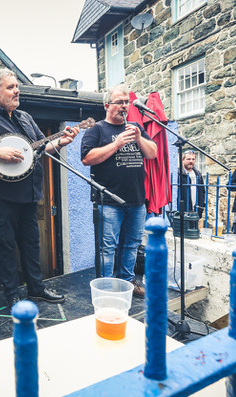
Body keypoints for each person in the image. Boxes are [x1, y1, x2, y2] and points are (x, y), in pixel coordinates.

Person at [0, 68, 78, 309]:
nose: (17, 90)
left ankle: (37, 289)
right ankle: (11, 294)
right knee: (6, 246)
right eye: (10, 87)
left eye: (16, 86)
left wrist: (61, 141)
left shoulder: (24, 118)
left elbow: (39, 148)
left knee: (32, 243)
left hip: (27, 195)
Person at [81, 83, 157, 297]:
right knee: (108, 248)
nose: (124, 106)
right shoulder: (96, 129)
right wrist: (116, 144)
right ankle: (106, 286)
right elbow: (87, 158)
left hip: (137, 200)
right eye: (119, 102)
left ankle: (127, 281)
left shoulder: (136, 128)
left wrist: (139, 138)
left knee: (132, 244)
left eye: (126, 102)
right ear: (107, 105)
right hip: (109, 201)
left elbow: (152, 153)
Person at [178, 150, 206, 218]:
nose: (191, 161)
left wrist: (201, 206)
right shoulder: (179, 174)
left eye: (193, 159)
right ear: (183, 160)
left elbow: (202, 191)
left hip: (196, 209)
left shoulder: (198, 174)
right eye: (188, 159)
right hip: (183, 209)